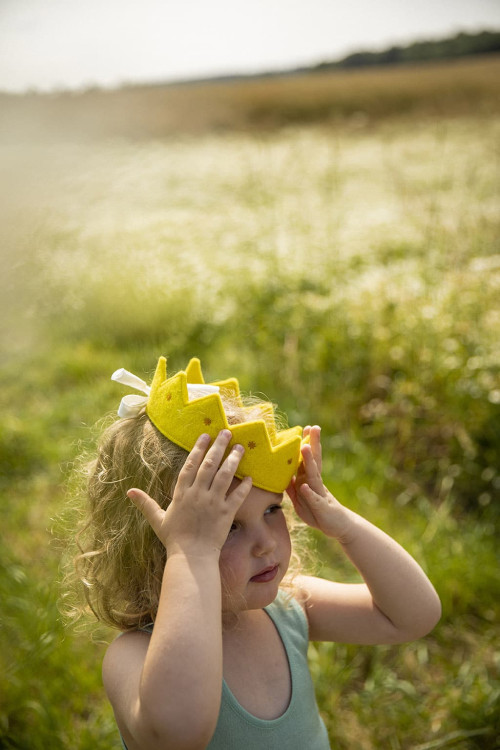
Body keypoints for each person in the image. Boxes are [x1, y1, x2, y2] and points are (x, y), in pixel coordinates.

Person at [73, 356, 441, 750]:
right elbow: (178, 734)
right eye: (228, 527)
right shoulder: (133, 654)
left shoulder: (288, 608)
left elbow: (413, 616)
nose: (266, 542)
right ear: (155, 547)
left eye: (271, 510)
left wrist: (345, 527)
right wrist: (192, 555)